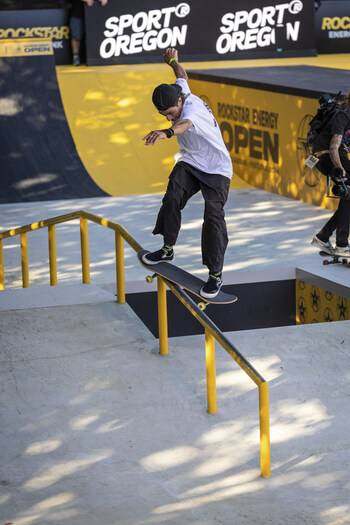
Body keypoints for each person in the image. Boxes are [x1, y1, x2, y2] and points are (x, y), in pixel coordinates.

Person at [142, 48, 233, 299]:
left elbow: (184, 125)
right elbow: (182, 73)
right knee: (172, 196)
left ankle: (215, 275)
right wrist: (172, 61)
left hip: (217, 169)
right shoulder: (180, 89)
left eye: (171, 113)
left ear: (180, 102)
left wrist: (166, 132)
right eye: (165, 117)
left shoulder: (193, 110)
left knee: (213, 217)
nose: (171, 118)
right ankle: (167, 248)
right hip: (192, 162)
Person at [311, 90, 350, 256]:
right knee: (348, 193)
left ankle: (323, 236)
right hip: (326, 157)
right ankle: (341, 244)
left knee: (348, 196)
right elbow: (333, 147)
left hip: (335, 156)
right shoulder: (343, 116)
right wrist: (340, 170)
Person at [69, 0, 108, 66]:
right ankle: (76, 57)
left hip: (96, 12)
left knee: (96, 35)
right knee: (76, 36)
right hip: (77, 12)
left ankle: (97, 57)